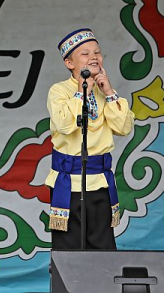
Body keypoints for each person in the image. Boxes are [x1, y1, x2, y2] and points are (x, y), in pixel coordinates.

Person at [47, 28, 134, 249]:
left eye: (97, 52)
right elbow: (65, 124)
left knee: (102, 245)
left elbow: (124, 127)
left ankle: (102, 285)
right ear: (69, 63)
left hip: (100, 181)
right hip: (69, 181)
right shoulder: (59, 91)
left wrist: (110, 92)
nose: (94, 57)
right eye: (85, 54)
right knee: (69, 248)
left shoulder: (105, 93)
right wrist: (82, 92)